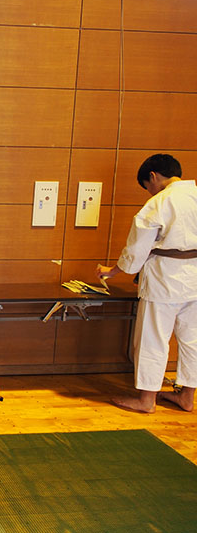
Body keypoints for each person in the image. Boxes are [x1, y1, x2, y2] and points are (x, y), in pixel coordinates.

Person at [97, 154, 197, 413]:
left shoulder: (159, 203)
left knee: (153, 338)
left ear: (153, 176)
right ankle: (187, 397)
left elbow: (137, 249)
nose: (149, 192)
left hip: (165, 279)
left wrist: (113, 271)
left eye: (147, 186)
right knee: (192, 339)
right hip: (195, 278)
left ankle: (146, 400)